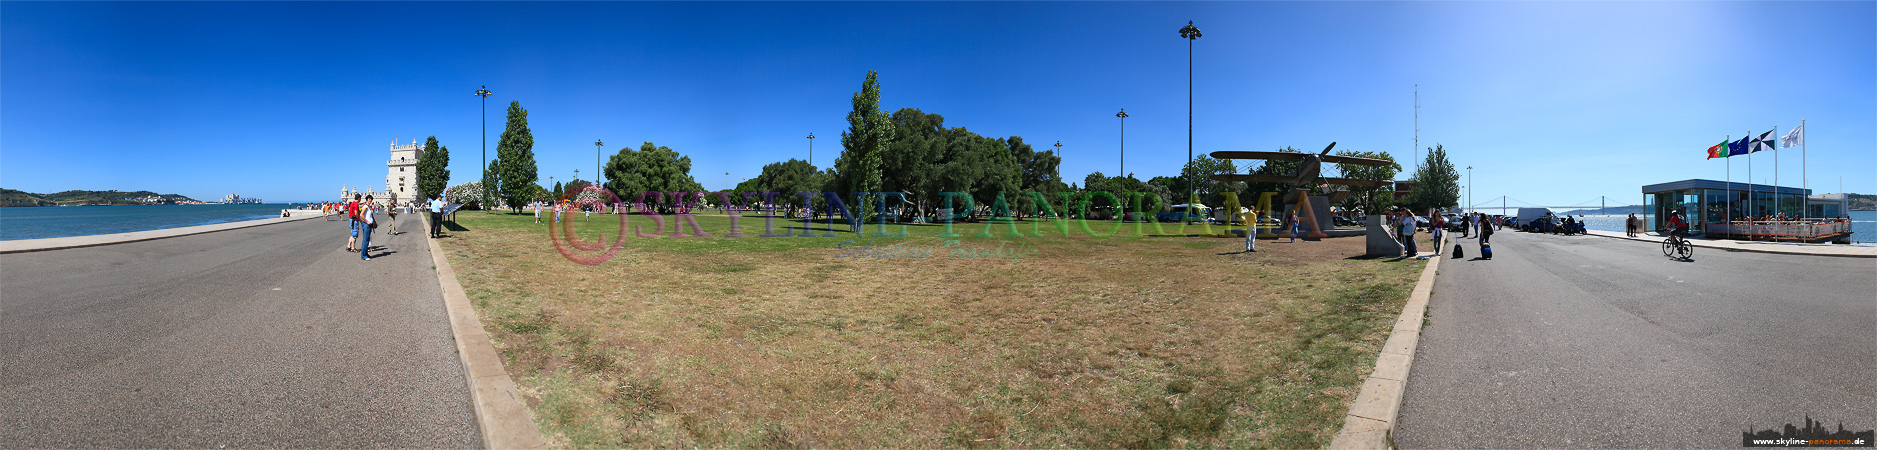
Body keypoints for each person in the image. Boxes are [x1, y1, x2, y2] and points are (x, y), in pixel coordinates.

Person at [359, 195, 376, 261]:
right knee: (365, 240)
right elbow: (361, 215)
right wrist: (367, 221)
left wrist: (374, 222)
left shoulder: (369, 207)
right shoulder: (365, 206)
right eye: (369, 199)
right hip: (366, 225)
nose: (370, 200)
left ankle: (366, 254)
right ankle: (363, 256)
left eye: (371, 199)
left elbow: (371, 215)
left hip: (369, 225)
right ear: (366, 199)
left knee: (367, 240)